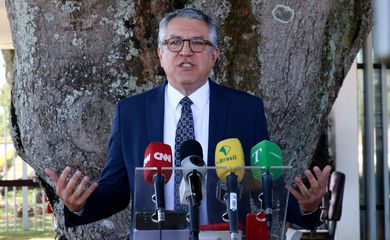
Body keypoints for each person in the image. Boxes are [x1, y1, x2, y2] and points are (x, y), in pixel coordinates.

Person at [45, 7, 331, 233]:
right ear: (160, 53)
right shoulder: (131, 111)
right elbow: (118, 190)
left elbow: (263, 184)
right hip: (155, 234)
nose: (185, 51)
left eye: (197, 42)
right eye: (174, 42)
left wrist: (306, 208)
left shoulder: (246, 109)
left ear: (214, 54)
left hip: (222, 233)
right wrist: (79, 205)